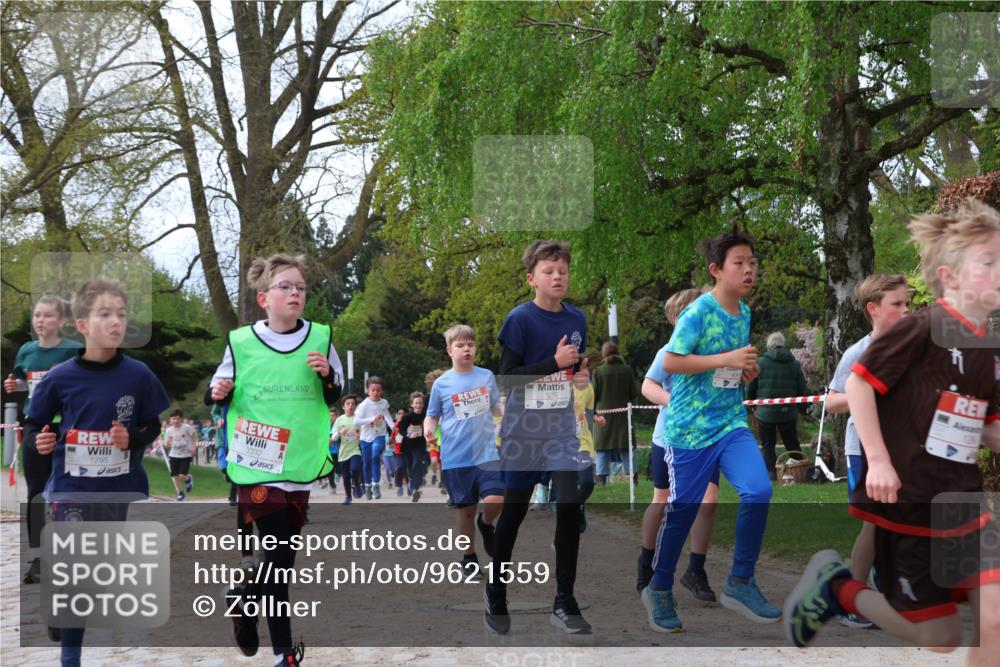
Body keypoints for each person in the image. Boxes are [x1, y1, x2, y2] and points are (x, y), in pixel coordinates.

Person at [785, 199, 1000, 667]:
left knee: (994, 621)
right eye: (988, 261)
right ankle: (838, 588)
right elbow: (859, 384)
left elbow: (987, 426)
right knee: (940, 636)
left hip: (963, 505)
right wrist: (879, 461)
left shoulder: (988, 351)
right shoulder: (921, 329)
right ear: (950, 276)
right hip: (911, 506)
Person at [642, 230, 780, 633]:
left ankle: (740, 581)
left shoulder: (744, 313)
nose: (749, 269)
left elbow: (731, 368)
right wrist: (727, 359)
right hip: (688, 430)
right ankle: (659, 587)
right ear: (716, 270)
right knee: (682, 511)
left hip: (730, 422)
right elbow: (671, 361)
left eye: (752, 262)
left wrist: (746, 370)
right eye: (739, 263)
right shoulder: (698, 312)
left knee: (759, 490)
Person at [27, 278, 170, 667]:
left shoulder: (139, 375)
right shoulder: (60, 376)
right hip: (71, 485)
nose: (116, 321)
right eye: (104, 314)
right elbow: (36, 422)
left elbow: (153, 425)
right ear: (82, 325)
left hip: (116, 487)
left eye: (121, 314)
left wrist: (132, 438)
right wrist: (41, 440)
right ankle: (70, 658)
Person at [209, 253, 343, 666]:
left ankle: (245, 603)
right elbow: (216, 391)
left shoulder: (321, 338)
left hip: (298, 463)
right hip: (257, 461)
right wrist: (219, 392)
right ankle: (284, 654)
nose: (295, 293)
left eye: (301, 287)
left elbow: (336, 394)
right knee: (280, 560)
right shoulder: (241, 342)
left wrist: (327, 376)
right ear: (264, 298)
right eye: (285, 287)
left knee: (281, 560)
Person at [485, 240, 591, 636]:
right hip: (524, 431)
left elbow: (574, 367)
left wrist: (579, 373)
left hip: (560, 429)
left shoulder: (577, 319)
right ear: (532, 278)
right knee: (514, 513)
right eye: (549, 271)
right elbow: (508, 379)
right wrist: (554, 363)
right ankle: (496, 591)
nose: (558, 276)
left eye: (563, 270)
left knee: (569, 505)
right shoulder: (520, 319)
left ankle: (564, 600)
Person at [826, 273, 909, 628]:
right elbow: (832, 402)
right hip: (863, 450)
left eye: (908, 304)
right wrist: (868, 391)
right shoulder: (859, 352)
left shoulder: (913, 349)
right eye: (897, 304)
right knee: (874, 525)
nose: (906, 310)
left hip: (904, 451)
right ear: (873, 309)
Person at [637, 288, 721, 602]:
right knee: (663, 501)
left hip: (706, 438)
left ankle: (695, 569)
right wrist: (675, 402)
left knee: (709, 500)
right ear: (677, 319)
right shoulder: (669, 352)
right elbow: (648, 385)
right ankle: (646, 561)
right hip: (670, 438)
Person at [4, 294, 82, 584]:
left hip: (68, 426)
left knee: (69, 491)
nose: (41, 320)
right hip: (35, 425)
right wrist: (14, 385)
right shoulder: (26, 350)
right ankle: (37, 559)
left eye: (48, 315)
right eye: (37, 315)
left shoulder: (74, 349)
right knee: (36, 493)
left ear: (61, 321)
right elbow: (26, 383)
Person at [425, 324, 504, 578]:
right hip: (456, 457)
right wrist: (429, 430)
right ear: (450, 350)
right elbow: (432, 415)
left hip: (487, 453)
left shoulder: (486, 376)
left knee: (497, 499)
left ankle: (486, 523)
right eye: (460, 345)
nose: (467, 349)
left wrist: (508, 414)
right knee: (466, 510)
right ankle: (468, 557)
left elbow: (496, 406)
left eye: (470, 344)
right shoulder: (442, 384)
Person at [745, 331, 809, 480]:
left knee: (768, 444)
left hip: (765, 412)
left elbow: (751, 387)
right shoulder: (794, 364)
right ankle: (799, 470)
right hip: (788, 411)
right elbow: (802, 389)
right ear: (783, 345)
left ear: (769, 346)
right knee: (792, 442)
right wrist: (803, 409)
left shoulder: (760, 363)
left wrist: (751, 404)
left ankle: (771, 473)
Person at [592, 340, 638, 485]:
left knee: (601, 448)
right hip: (623, 417)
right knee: (628, 447)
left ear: (603, 354)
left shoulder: (598, 372)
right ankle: (633, 479)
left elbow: (594, 395)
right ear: (618, 353)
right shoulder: (627, 370)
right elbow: (633, 393)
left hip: (603, 417)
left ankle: (601, 481)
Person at [354, 377, 394, 500]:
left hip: (379, 434)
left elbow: (387, 415)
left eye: (378, 390)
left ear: (382, 391)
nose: (375, 393)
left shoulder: (383, 402)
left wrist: (393, 427)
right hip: (365, 438)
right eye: (373, 390)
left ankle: (376, 484)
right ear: (368, 391)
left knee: (375, 456)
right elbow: (357, 421)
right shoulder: (364, 405)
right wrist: (372, 419)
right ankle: (368, 486)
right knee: (367, 463)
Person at [397, 391, 428, 501]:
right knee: (410, 468)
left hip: (420, 445)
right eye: (416, 403)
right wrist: (409, 434)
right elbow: (401, 429)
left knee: (417, 464)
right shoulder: (407, 416)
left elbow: (430, 427)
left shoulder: (426, 416)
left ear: (423, 404)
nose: (418, 405)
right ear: (412, 404)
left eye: (420, 403)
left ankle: (415, 489)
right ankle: (411, 481)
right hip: (408, 445)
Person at [333, 395, 362, 505]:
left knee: (355, 469)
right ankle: (348, 497)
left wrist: (360, 436)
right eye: (348, 404)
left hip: (355, 450)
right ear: (343, 407)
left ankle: (357, 483)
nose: (350, 406)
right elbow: (333, 437)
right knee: (345, 477)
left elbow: (365, 433)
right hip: (343, 452)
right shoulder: (339, 420)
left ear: (356, 406)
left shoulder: (358, 419)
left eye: (353, 404)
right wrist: (339, 433)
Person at [164, 409, 198, 501]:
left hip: (186, 454)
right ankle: (180, 493)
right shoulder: (168, 430)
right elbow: (166, 442)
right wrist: (166, 444)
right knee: (175, 475)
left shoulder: (186, 427)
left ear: (181, 419)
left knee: (182, 475)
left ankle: (188, 478)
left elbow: (195, 434)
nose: (176, 421)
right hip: (173, 455)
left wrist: (194, 447)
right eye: (174, 419)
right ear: (171, 419)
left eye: (178, 419)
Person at [389, 407, 407, 495]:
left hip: (408, 451)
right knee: (400, 467)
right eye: (399, 414)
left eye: (403, 414)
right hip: (398, 450)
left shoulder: (410, 424)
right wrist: (391, 443)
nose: (401, 415)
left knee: (407, 468)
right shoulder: (395, 426)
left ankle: (410, 485)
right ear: (397, 415)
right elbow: (392, 438)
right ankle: (399, 486)